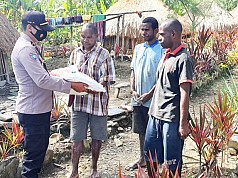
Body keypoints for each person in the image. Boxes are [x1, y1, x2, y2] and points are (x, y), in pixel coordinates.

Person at [11, 10, 91, 178]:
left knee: (38, 154)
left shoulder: (30, 46)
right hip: (33, 111)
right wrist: (71, 85)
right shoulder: (26, 50)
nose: (45, 33)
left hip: (37, 109)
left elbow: (41, 76)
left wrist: (56, 75)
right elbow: (42, 81)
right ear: (31, 28)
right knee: (33, 158)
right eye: (43, 29)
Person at [144, 18, 193, 177]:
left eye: (162, 34)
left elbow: (185, 92)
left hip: (171, 118)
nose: (159, 37)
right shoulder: (166, 55)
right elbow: (161, 82)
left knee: (172, 164)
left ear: (173, 34)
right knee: (150, 158)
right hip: (155, 115)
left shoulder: (183, 59)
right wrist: (149, 95)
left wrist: (183, 123)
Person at [68, 23, 115, 178]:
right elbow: (69, 74)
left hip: (97, 104)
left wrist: (90, 86)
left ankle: (94, 168)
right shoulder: (75, 53)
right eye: (83, 36)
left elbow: (108, 79)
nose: (86, 40)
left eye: (89, 37)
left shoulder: (104, 54)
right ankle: (74, 170)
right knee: (76, 139)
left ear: (96, 37)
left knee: (97, 138)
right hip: (79, 104)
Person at [126, 17, 164, 170]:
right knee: (141, 131)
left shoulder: (162, 50)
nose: (144, 32)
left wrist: (149, 94)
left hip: (154, 101)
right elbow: (133, 70)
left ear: (155, 31)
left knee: (155, 132)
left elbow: (162, 77)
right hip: (138, 100)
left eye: (147, 30)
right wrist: (132, 89)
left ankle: (156, 161)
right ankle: (142, 158)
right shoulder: (138, 48)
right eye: (142, 29)